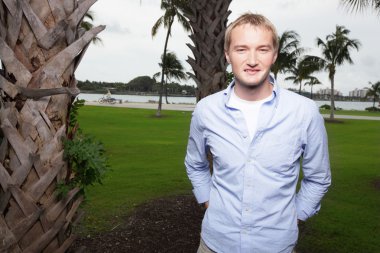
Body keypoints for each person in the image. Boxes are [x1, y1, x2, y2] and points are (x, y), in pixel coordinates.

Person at [184, 13, 331, 253]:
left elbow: (318, 177)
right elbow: (195, 164)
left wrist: (296, 216)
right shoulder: (206, 110)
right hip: (214, 244)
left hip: (277, 246)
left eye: (262, 49)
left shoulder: (305, 112)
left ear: (274, 55)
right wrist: (209, 201)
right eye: (241, 49)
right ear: (227, 55)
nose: (252, 60)